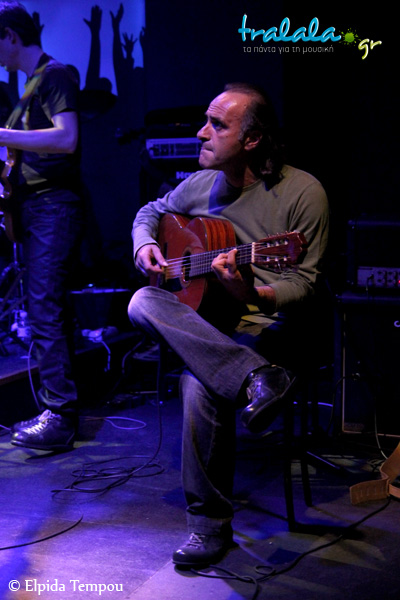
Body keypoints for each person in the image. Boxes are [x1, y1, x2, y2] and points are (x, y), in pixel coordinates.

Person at [128, 82, 329, 567]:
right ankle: (257, 378)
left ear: (253, 139)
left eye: (217, 125)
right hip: (212, 326)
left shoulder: (303, 192)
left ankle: (208, 526)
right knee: (141, 300)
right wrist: (145, 244)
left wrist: (250, 292)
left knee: (199, 385)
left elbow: (304, 284)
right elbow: (151, 211)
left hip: (271, 327)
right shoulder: (200, 185)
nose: (202, 133)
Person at [0, 1, 82, 451]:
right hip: (35, 207)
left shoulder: (55, 75)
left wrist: (2, 135)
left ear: (11, 36)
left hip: (53, 206)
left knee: (44, 307)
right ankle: (60, 409)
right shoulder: (30, 84)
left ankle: (60, 416)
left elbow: (67, 138)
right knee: (48, 307)